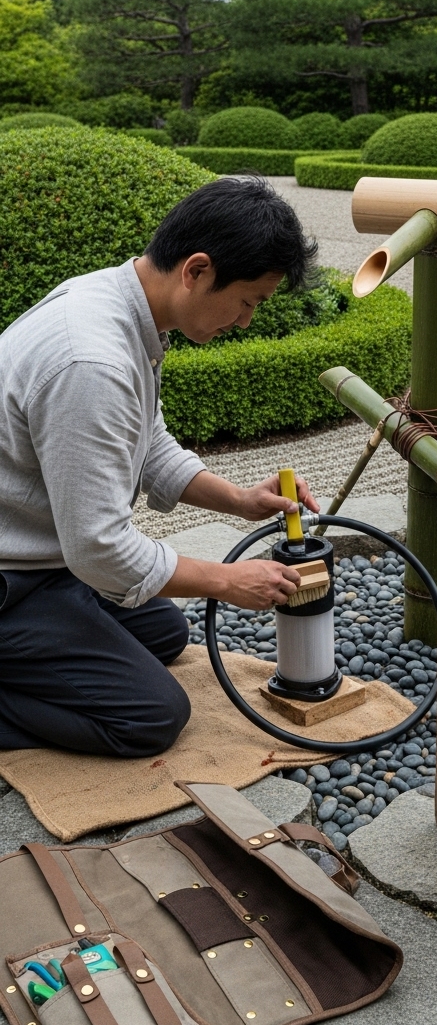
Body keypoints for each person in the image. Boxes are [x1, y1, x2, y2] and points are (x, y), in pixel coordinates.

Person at [0, 176, 321, 757]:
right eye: (248, 301)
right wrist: (226, 580)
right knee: (150, 716)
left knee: (165, 632)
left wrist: (240, 500)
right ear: (197, 270)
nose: (246, 321)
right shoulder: (91, 362)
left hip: (45, 558)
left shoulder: (126, 307)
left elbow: (147, 441)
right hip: (14, 577)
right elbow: (99, 549)